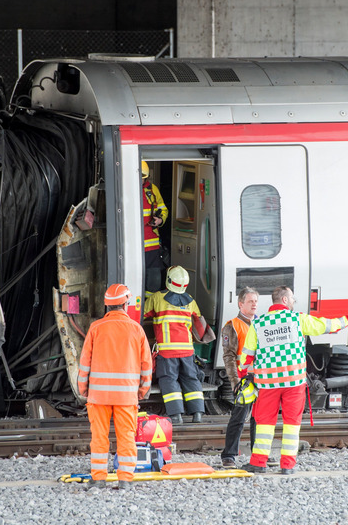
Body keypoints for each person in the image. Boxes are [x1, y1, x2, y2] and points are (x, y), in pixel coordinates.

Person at [241, 286, 348, 475]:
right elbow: (326, 326)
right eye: (292, 299)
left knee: (264, 423)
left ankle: (258, 463)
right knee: (292, 424)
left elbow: (247, 353)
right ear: (284, 301)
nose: (294, 302)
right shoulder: (297, 319)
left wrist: (242, 374)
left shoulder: (259, 323)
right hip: (293, 382)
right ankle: (287, 466)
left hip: (267, 383)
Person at [77, 284, 154, 489]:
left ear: (107, 306)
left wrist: (83, 388)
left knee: (99, 437)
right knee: (126, 437)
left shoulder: (96, 328)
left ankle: (99, 478)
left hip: (98, 396)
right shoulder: (136, 329)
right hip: (126, 397)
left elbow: (84, 362)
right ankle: (125, 480)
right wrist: (142, 390)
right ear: (125, 304)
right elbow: (147, 365)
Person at [143, 265, 212, 424]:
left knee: (169, 380)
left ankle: (176, 415)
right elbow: (200, 326)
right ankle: (197, 414)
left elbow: (142, 314)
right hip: (187, 351)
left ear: (168, 280)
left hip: (167, 352)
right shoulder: (191, 301)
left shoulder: (157, 298)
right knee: (191, 378)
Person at [219, 286, 259, 469]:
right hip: (244, 380)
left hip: (262, 379)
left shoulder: (261, 323)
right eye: (250, 301)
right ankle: (229, 455)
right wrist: (235, 382)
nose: (254, 304)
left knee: (260, 418)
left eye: (256, 301)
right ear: (240, 303)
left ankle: (258, 455)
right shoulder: (231, 326)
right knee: (239, 417)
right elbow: (228, 357)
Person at [141, 161, 168, 298]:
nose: (141, 181)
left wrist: (160, 220)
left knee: (154, 280)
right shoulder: (124, 188)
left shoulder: (153, 190)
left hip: (151, 245)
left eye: (143, 179)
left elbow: (163, 209)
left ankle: (149, 308)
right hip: (133, 247)